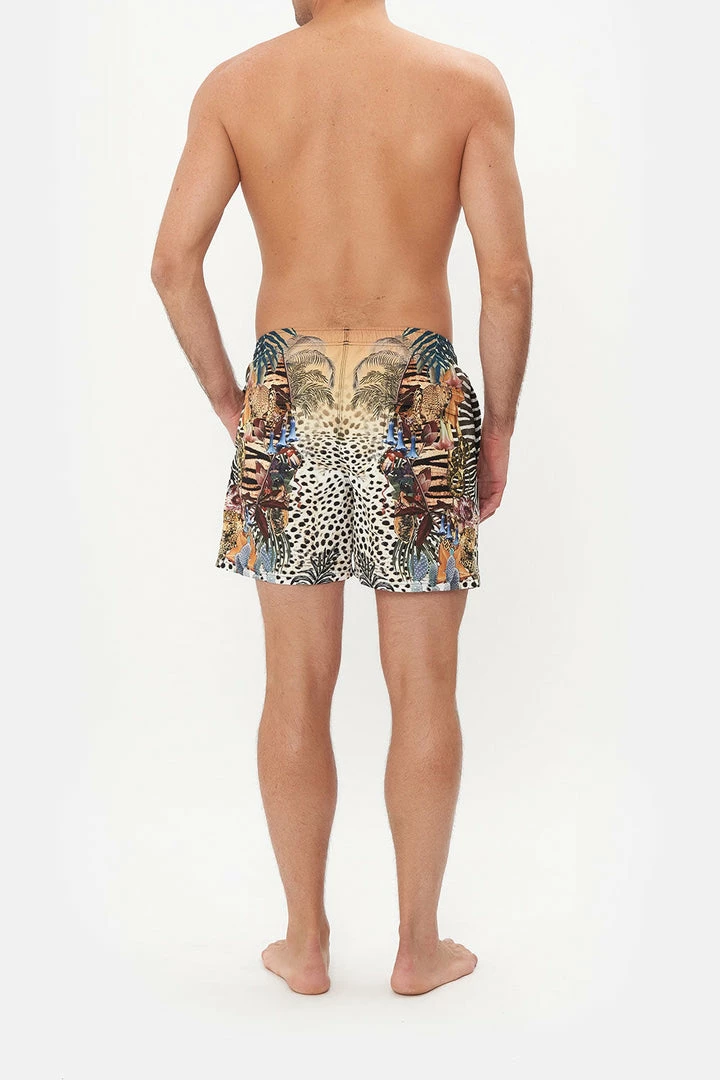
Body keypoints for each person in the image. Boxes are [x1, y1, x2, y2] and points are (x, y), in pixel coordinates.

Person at [151, 0, 532, 997]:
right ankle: (419, 947)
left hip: (291, 388)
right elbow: (507, 280)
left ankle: (305, 944)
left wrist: (234, 399)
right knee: (425, 686)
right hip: (418, 391)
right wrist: (497, 426)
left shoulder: (236, 86)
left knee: (294, 683)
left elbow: (171, 263)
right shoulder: (465, 83)